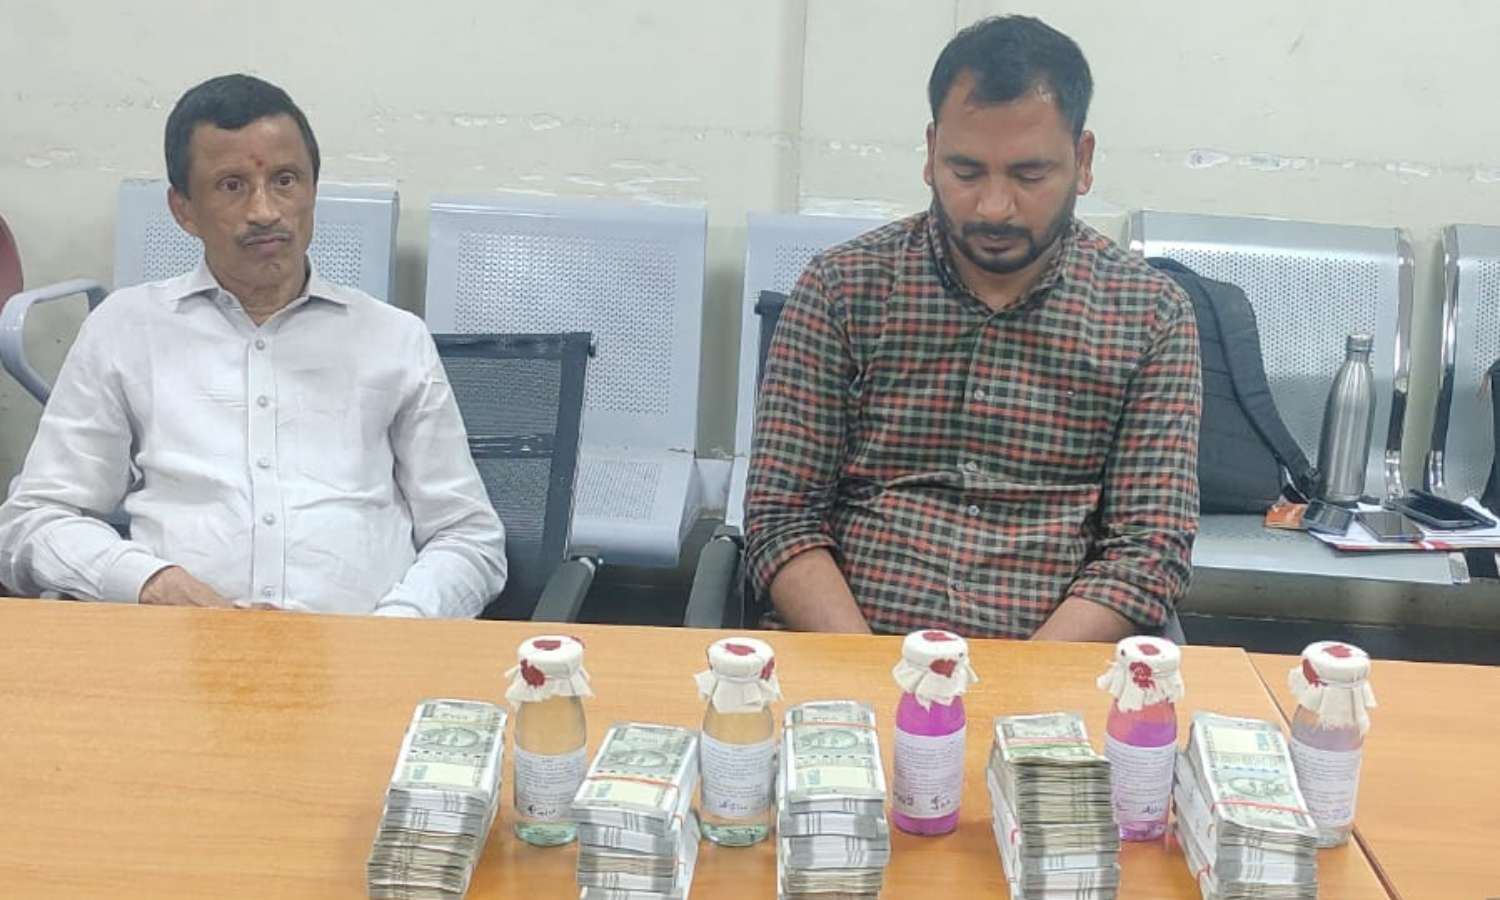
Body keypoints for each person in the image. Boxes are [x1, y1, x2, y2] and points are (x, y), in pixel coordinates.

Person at [744, 16, 1201, 641]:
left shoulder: (1151, 315)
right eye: (965, 172)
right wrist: (871, 673)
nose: (994, 207)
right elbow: (783, 517)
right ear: (931, 152)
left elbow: (1148, 550)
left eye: (1029, 176)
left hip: (1050, 666)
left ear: (1083, 161)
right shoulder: (843, 289)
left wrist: (1022, 686)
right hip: (848, 651)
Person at [0, 74, 507, 617]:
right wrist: (151, 582)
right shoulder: (126, 330)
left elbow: (468, 537)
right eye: (231, 185)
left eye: (285, 180)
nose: (265, 211)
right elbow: (34, 522)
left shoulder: (394, 338)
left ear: (313, 190)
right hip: (178, 647)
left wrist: (396, 627)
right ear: (183, 209)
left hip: (361, 646)